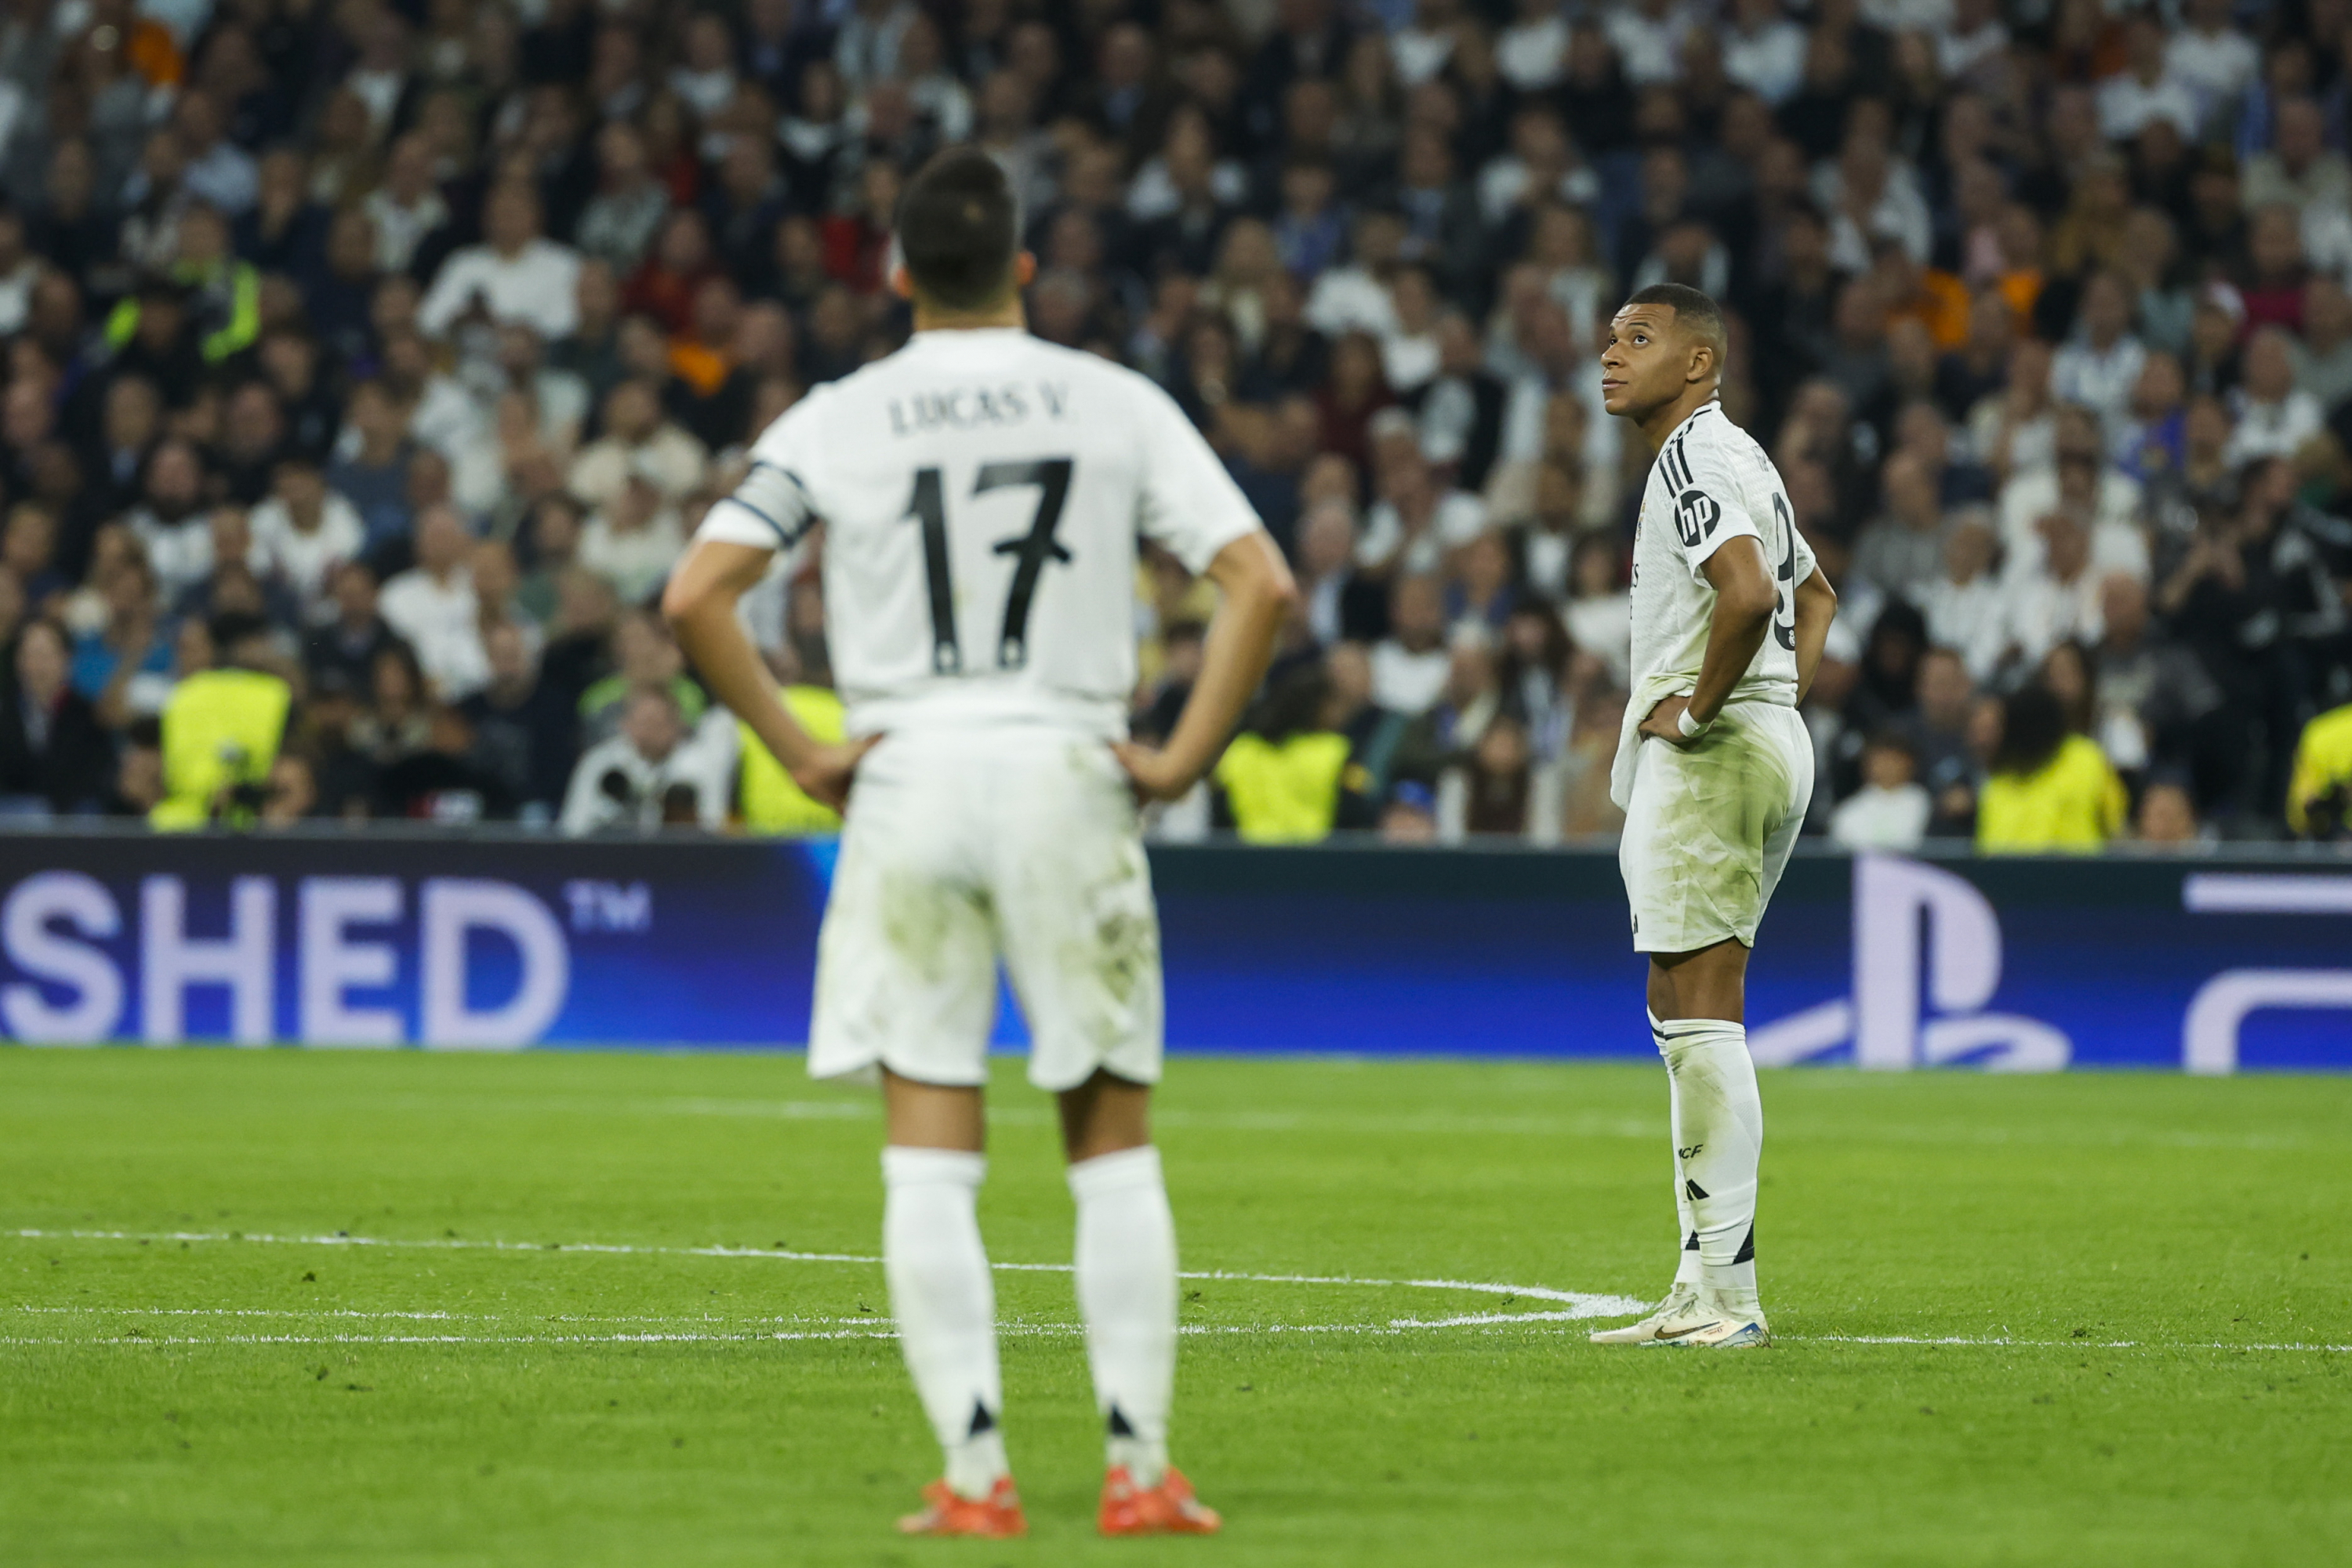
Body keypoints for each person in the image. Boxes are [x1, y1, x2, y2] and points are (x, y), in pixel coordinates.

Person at [662, 149, 1293, 1539]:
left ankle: (974, 1474)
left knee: (927, 1148)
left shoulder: (840, 415)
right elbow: (1260, 580)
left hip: (909, 777)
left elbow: (700, 593)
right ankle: (1137, 1469)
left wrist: (804, 750)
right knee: (1109, 1143)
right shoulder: (1115, 401)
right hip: (1068, 767)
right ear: (1022, 267)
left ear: (895, 274)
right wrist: (1180, 758)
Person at [1588, 283, 1838, 1351]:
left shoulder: (1693, 457)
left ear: (1698, 363)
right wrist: (1778, 701)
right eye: (1609, 337)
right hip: (1763, 742)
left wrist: (1700, 707)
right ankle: (1698, 1283)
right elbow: (1816, 596)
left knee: (1704, 1009)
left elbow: (1749, 595)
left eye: (1638, 340)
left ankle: (1729, 1296)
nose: (1611, 355)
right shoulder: (1744, 460)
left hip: (1717, 751)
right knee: (1681, 1000)